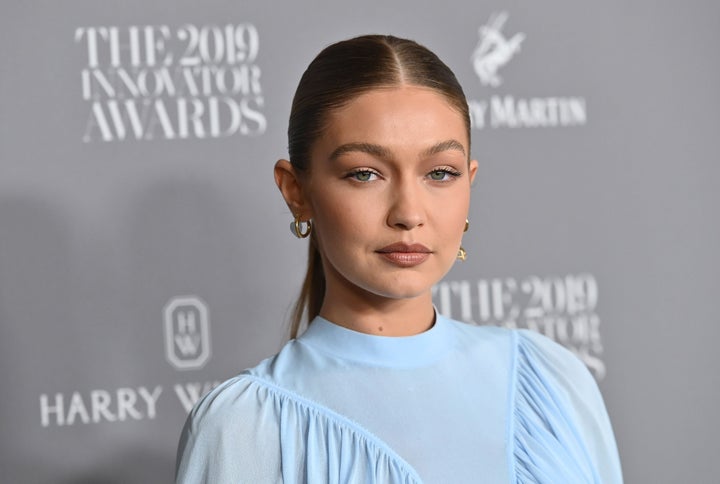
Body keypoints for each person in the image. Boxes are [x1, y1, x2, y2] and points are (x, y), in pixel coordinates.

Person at [175, 34, 623, 483]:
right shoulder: (244, 428)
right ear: (296, 192)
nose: (409, 213)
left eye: (440, 173)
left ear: (469, 181)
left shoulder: (550, 380)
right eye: (365, 174)